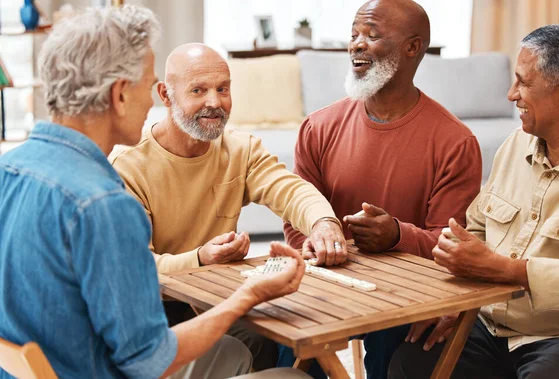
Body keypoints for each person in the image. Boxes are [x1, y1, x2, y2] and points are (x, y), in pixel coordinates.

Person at [0, 6, 310, 379]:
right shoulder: (105, 204)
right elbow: (151, 360)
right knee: (295, 377)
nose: (152, 102)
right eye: (148, 86)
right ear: (119, 95)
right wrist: (250, 294)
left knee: (235, 350)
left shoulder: (9, 168)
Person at [108, 42, 347, 370]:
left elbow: (289, 190)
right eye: (198, 90)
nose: (215, 102)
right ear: (165, 95)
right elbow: (138, 270)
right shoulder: (128, 166)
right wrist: (199, 258)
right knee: (256, 341)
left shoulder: (240, 149)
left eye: (223, 89)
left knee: (304, 329)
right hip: (156, 315)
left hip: (216, 300)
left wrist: (323, 223)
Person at [280, 0, 482, 377]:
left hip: (405, 295)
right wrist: (312, 242)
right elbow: (296, 218)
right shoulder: (318, 127)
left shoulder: (456, 142)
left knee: (402, 336)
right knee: (286, 324)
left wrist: (396, 236)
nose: (356, 44)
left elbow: (450, 244)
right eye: (354, 34)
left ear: (412, 47)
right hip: (329, 279)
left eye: (372, 35)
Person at [388, 23, 559, 378]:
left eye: (523, 82)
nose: (511, 94)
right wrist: (458, 302)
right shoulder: (515, 145)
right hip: (488, 321)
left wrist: (504, 270)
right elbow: (477, 230)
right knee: (410, 364)